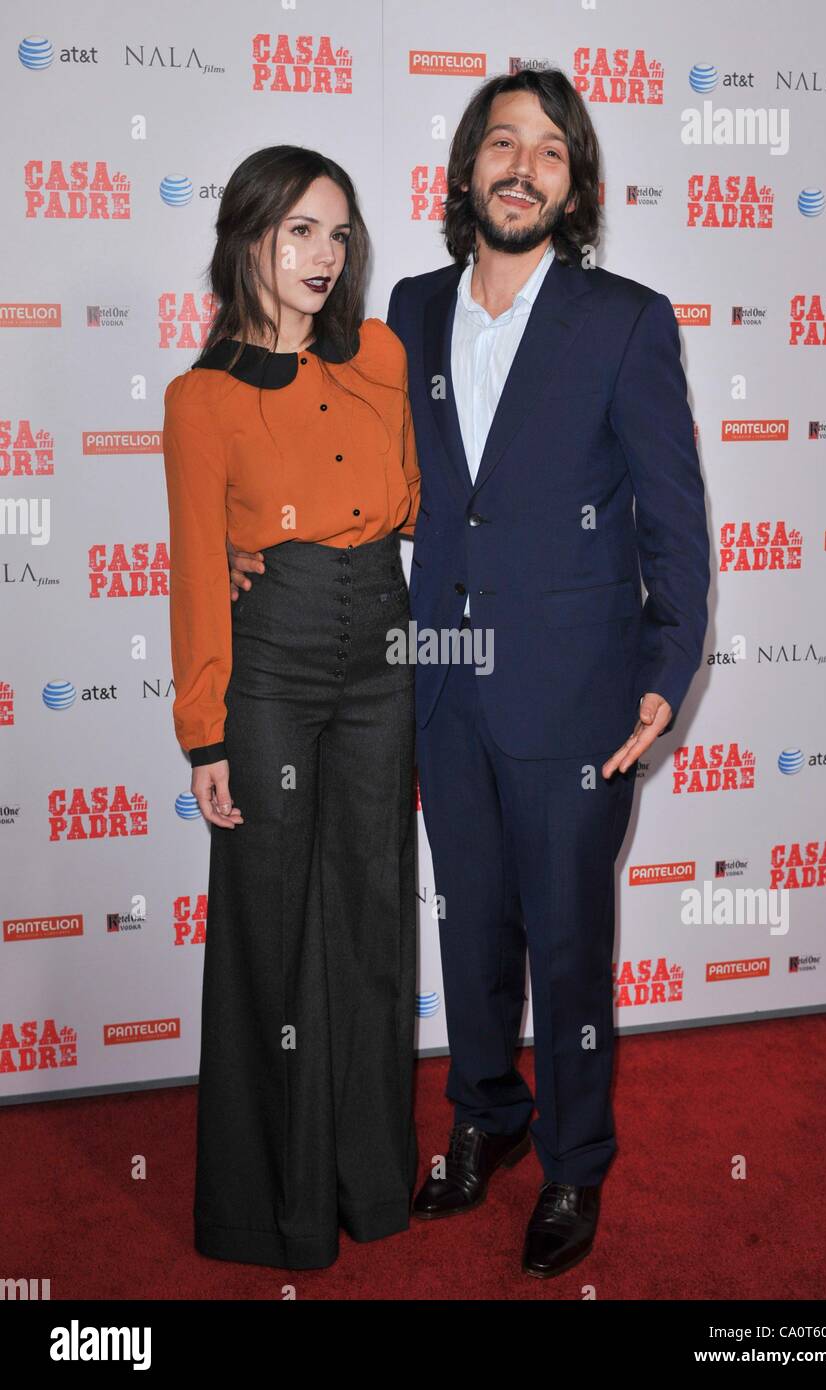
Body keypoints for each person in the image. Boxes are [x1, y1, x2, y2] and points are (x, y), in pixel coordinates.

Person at [230, 68, 710, 1281]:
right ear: (466, 170)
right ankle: (486, 1119)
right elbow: (346, 457)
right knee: (469, 934)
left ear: (575, 184)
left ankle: (574, 1161)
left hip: (578, 698)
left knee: (569, 943)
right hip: (440, 676)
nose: (522, 164)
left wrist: (663, 673)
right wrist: (253, 524)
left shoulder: (627, 320)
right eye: (502, 141)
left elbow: (675, 521)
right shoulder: (406, 308)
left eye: (550, 150)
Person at [162, 145, 421, 1271]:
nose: (324, 255)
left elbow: (407, 501)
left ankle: (370, 1184)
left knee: (370, 916)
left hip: (382, 650)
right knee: (268, 921)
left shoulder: (381, 355)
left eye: (339, 232)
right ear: (249, 239)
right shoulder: (199, 397)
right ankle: (269, 1205)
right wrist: (204, 728)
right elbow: (192, 570)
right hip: (269, 662)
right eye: (300, 231)